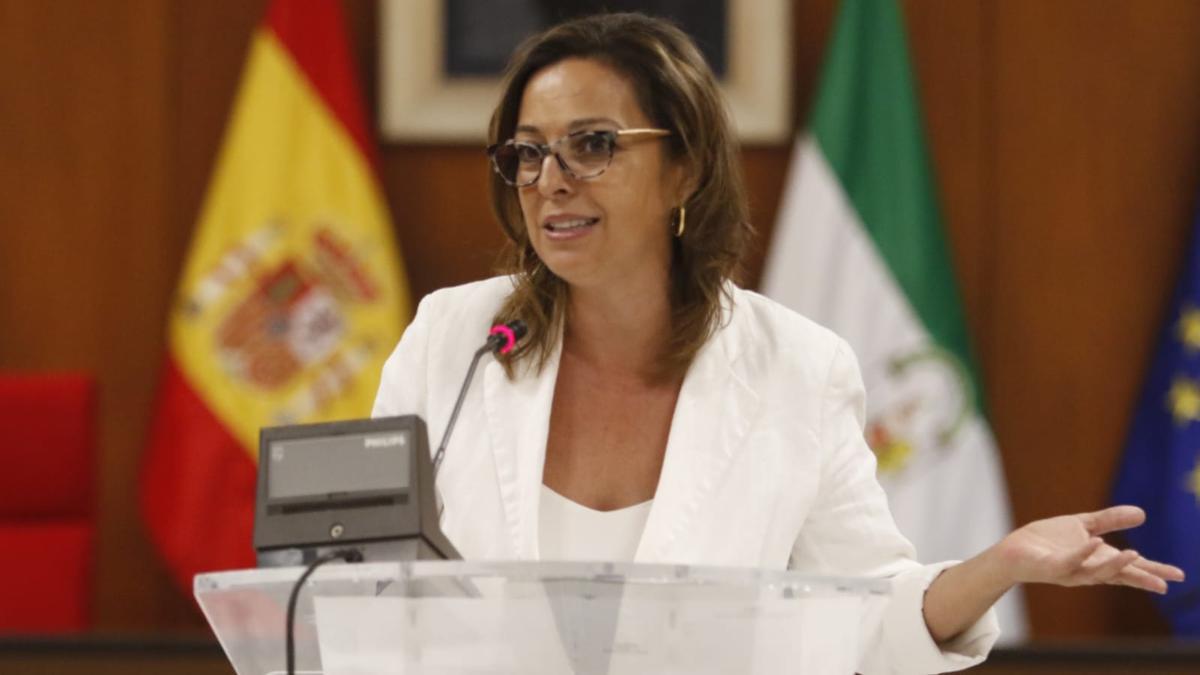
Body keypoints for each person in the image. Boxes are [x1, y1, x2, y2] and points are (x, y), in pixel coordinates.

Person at [373, 12, 1185, 673]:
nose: (551, 179)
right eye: (527, 152)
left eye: (593, 144)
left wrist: (998, 565)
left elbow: (866, 610)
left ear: (685, 168)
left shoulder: (796, 366)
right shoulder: (453, 339)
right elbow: (356, 591)